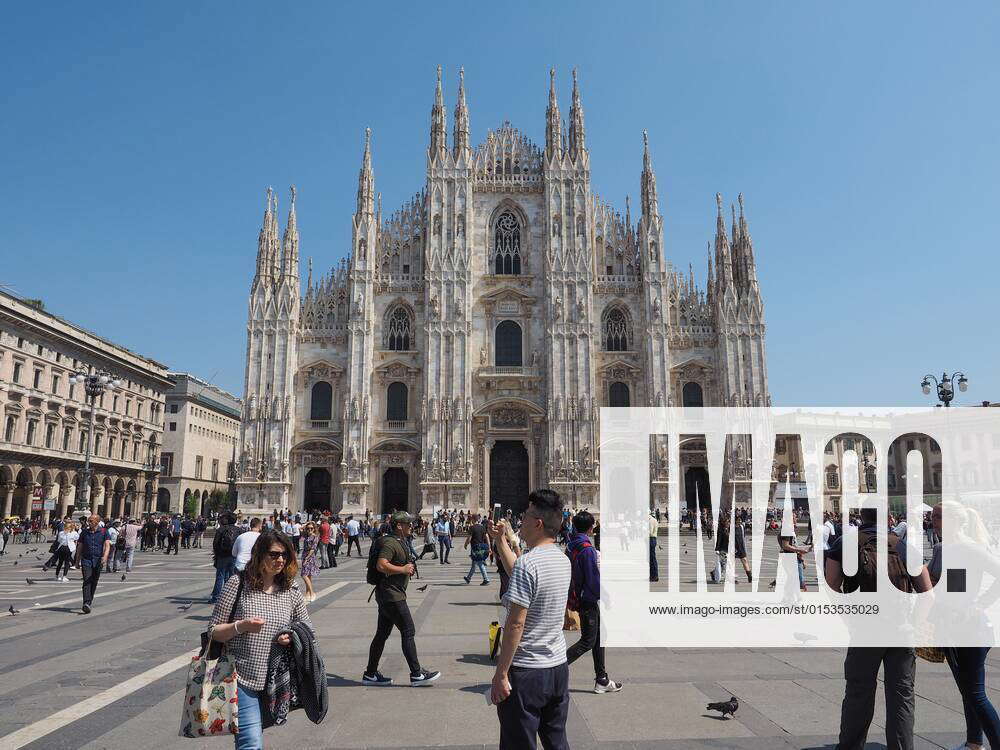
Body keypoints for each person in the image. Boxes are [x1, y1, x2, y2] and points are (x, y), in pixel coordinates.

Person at [825, 506, 931, 750]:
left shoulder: (845, 543)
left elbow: (831, 587)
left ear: (861, 516)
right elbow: (928, 594)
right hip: (901, 630)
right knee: (902, 696)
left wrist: (849, 619)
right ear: (889, 518)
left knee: (858, 693)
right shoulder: (903, 545)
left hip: (865, 630)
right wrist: (914, 625)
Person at [209, 530, 314, 750]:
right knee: (251, 742)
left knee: (252, 733)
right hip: (241, 676)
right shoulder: (237, 584)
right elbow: (213, 631)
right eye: (274, 554)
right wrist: (241, 626)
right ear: (259, 554)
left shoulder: (291, 589)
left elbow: (306, 628)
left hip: (277, 679)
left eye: (285, 555)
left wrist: (291, 636)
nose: (280, 560)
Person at [490, 489, 572, 750]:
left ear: (537, 523)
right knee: (557, 741)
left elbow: (515, 623)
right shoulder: (562, 558)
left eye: (524, 517)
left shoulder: (529, 564)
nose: (519, 521)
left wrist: (501, 673)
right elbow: (522, 574)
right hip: (557, 668)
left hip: (527, 673)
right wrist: (502, 542)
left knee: (518, 743)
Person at [928, 502, 1000, 750]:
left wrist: (979, 604)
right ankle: (974, 743)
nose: (933, 520)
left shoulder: (969, 548)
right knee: (968, 692)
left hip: (971, 629)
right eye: (932, 516)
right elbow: (942, 584)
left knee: (975, 693)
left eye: (938, 516)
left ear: (955, 521)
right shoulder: (941, 548)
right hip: (951, 627)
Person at [363, 511, 440, 687]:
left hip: (387, 594)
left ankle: (370, 673)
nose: (411, 526)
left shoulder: (399, 541)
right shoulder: (390, 543)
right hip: (392, 595)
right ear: (399, 526)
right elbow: (381, 564)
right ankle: (416, 674)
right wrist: (403, 569)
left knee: (381, 635)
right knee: (408, 631)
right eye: (408, 524)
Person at [565, 510, 623, 694]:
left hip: (578, 595)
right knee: (588, 641)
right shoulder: (587, 549)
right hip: (587, 599)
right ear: (590, 528)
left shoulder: (571, 545)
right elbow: (593, 578)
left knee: (600, 636)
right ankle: (551, 669)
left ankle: (602, 679)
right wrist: (605, 596)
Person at [75, 514, 111, 614]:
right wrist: (77, 561)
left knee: (94, 581)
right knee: (87, 580)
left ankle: (89, 601)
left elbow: (107, 545)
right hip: (86, 559)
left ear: (97, 521)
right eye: (89, 520)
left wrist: (105, 556)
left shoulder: (104, 531)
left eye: (91, 521)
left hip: (98, 560)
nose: (89, 522)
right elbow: (80, 547)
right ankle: (86, 603)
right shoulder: (84, 532)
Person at [210, 513, 241, 603]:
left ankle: (216, 597)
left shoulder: (221, 529)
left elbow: (215, 543)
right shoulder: (239, 530)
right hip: (233, 556)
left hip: (222, 556)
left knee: (220, 576)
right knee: (231, 578)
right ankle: (230, 598)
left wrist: (217, 554)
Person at [463, 515, 491, 585]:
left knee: (480, 563)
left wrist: (465, 544)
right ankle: (468, 578)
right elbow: (487, 537)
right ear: (478, 519)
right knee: (474, 564)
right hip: (482, 546)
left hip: (475, 548)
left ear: (472, 519)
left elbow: (469, 538)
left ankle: (486, 579)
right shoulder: (482, 527)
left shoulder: (472, 527)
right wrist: (489, 547)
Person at [300, 521, 319, 602]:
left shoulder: (315, 537)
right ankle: (307, 594)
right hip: (305, 555)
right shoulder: (306, 535)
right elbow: (300, 528)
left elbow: (313, 549)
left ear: (314, 529)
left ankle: (312, 593)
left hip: (310, 557)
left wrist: (306, 559)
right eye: (308, 528)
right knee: (309, 576)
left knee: (304, 575)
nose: (309, 530)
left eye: (311, 528)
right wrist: (308, 523)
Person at [648, 509, 659, 582]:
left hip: (651, 539)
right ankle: (653, 575)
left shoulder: (650, 520)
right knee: (652, 558)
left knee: (652, 559)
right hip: (653, 539)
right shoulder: (654, 520)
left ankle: (654, 576)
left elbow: (650, 531)